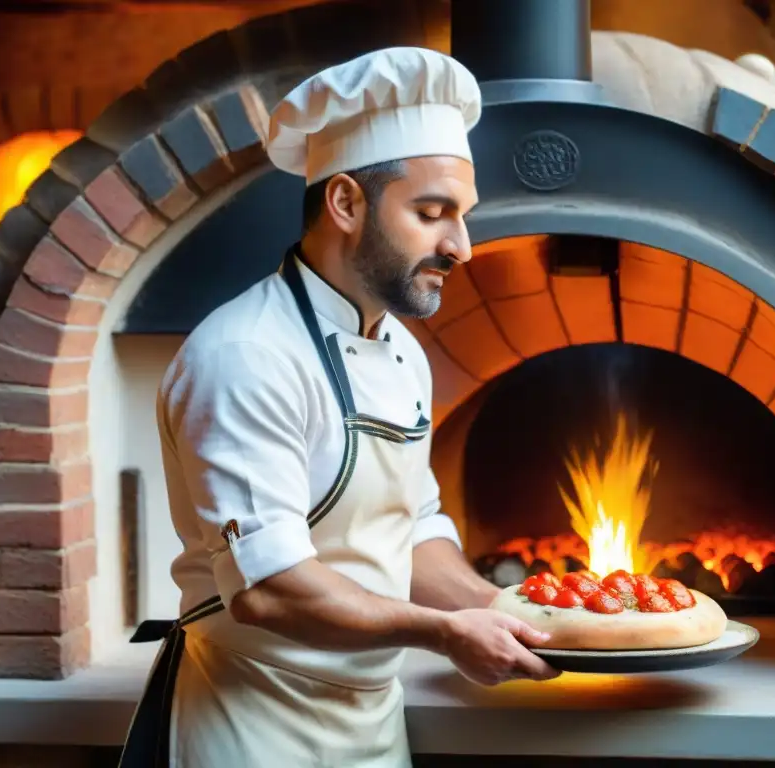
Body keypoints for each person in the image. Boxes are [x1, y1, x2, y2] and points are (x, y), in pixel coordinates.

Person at [116, 46, 560, 768]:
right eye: (431, 213)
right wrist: (444, 634)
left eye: (463, 215)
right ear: (346, 203)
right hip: (252, 717)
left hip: (371, 722)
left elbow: (411, 529)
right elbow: (270, 589)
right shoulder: (245, 354)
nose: (463, 246)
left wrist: (504, 612)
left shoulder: (402, 350)